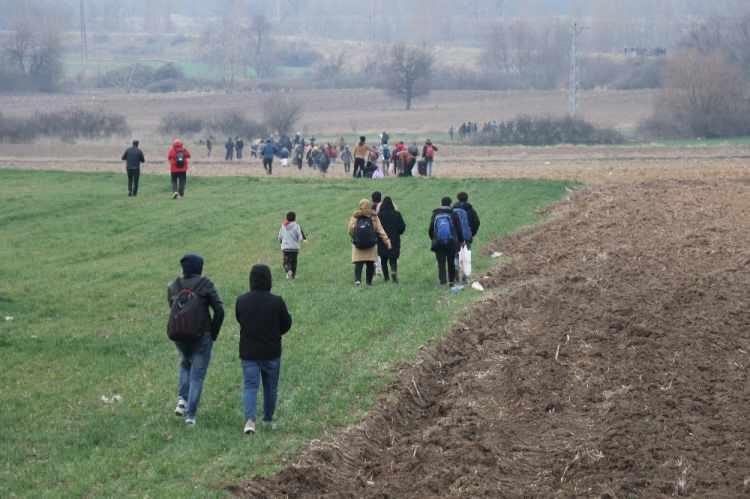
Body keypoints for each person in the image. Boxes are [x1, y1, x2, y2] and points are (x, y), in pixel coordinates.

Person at [167, 254, 225, 426]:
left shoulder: (173, 286)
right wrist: (212, 333)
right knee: (197, 376)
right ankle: (190, 417)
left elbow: (173, 307)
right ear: (199, 267)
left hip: (179, 335)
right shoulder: (205, 284)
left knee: (185, 364)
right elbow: (220, 310)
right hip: (202, 336)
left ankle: (181, 401)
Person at [235, 264, 292, 435]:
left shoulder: (241, 300)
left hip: (249, 352)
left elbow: (240, 319)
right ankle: (267, 419)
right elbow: (286, 324)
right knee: (270, 387)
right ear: (269, 280)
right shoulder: (277, 301)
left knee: (250, 386)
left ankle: (250, 421)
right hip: (271, 352)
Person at [348, 199, 391, 287]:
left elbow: (350, 230)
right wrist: (386, 240)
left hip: (358, 244)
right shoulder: (374, 216)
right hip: (371, 244)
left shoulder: (355, 216)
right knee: (370, 263)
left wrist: (354, 237)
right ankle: (369, 283)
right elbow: (380, 229)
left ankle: (358, 281)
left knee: (358, 263)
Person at [429, 196, 463, 289]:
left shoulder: (435, 214)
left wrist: (434, 238)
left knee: (441, 262)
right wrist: (460, 240)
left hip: (438, 242)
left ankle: (442, 282)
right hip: (451, 242)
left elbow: (431, 229)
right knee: (451, 262)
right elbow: (459, 229)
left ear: (441, 203)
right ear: (450, 203)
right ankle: (451, 282)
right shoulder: (453, 214)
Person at [453, 192, 481, 284]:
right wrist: (471, 233)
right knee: (466, 257)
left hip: (455, 237)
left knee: (456, 256)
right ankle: (465, 278)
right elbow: (476, 222)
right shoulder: (470, 210)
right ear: (467, 199)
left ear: (457, 198)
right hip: (466, 237)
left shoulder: (453, 210)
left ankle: (456, 275)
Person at [377, 197, 406, 283]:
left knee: (383, 260)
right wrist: (398, 232)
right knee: (393, 258)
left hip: (382, 240)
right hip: (394, 240)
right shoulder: (397, 214)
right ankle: (393, 270)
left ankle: (386, 278)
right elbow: (402, 227)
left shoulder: (379, 215)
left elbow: (376, 228)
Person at [278, 211, 306, 279]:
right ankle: (293, 276)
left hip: (286, 247)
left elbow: (280, 237)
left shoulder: (283, 226)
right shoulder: (297, 226)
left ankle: (288, 271)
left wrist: (281, 242)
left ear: (286, 218)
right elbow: (300, 237)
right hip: (294, 248)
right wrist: (301, 240)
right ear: (295, 218)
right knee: (294, 262)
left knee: (286, 262)